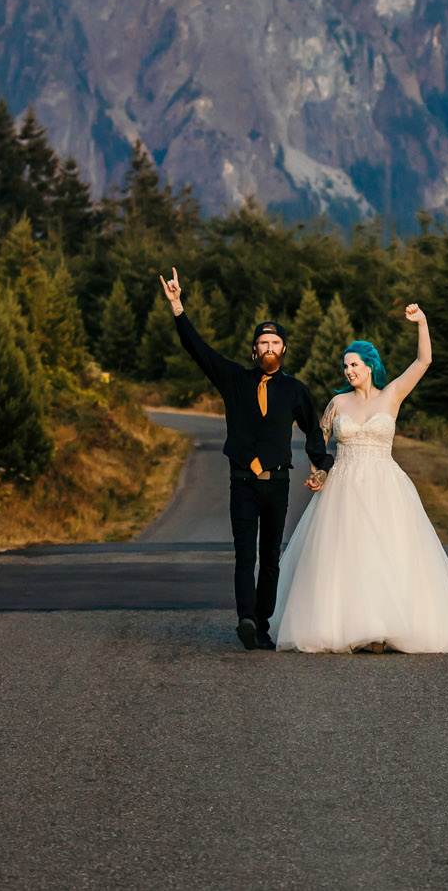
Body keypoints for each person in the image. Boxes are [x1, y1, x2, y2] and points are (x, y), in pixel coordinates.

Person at [269, 303, 448, 654]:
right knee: (347, 555)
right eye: (345, 366)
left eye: (354, 364)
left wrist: (422, 322)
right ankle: (354, 627)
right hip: (344, 485)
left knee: (387, 553)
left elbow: (423, 362)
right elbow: (318, 444)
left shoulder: (392, 395)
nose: (349, 370)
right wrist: (318, 474)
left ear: (370, 366)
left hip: (384, 482)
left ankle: (386, 628)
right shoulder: (337, 404)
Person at [159, 267, 332, 651]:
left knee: (270, 558)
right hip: (242, 482)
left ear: (283, 349)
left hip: (277, 484)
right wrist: (177, 307)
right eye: (262, 344)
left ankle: (263, 624)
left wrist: (321, 464)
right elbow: (198, 350)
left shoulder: (294, 390)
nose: (268, 349)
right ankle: (246, 619)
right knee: (244, 555)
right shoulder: (234, 379)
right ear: (254, 349)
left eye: (275, 344)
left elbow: (313, 432)